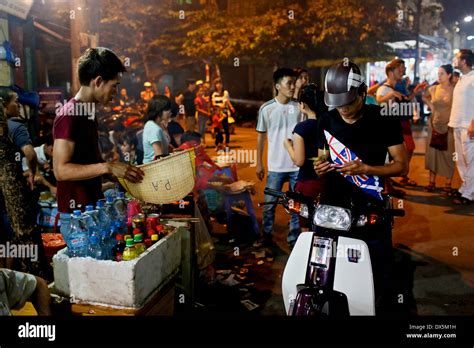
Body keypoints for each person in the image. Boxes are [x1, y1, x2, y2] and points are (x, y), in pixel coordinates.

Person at [314, 60, 408, 314]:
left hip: (370, 205)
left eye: (348, 101)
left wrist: (367, 169)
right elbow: (322, 156)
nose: (342, 108)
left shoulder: (384, 121)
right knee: (328, 265)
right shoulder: (326, 119)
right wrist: (319, 166)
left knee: (377, 266)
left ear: (363, 93)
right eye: (337, 103)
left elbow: (402, 166)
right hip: (333, 206)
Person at [53, 47, 144, 238]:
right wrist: (108, 167)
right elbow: (61, 171)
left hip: (91, 209)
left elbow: (87, 163)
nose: (116, 92)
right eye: (114, 85)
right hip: (76, 217)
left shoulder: (88, 112)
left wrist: (115, 176)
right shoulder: (69, 114)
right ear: (98, 81)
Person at [256, 68, 302, 247]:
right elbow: (260, 136)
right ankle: (266, 236)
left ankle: (294, 239)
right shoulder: (266, 109)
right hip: (275, 166)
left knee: (295, 207)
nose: (292, 86)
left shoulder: (298, 107)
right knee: (269, 205)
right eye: (288, 83)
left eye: (293, 83)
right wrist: (259, 163)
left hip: (296, 166)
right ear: (277, 86)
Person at [283, 84, 323, 231]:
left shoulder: (301, 129)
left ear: (302, 105)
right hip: (327, 181)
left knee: (306, 227)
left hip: (308, 183)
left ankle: (307, 253)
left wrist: (288, 147)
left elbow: (299, 161)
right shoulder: (329, 124)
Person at [422, 64, 455, 194]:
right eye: (438, 74)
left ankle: (448, 183)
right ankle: (431, 182)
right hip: (433, 124)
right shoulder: (434, 89)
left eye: (442, 74)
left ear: (449, 75)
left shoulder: (454, 90)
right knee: (433, 154)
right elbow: (424, 96)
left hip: (449, 126)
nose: (439, 76)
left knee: (449, 154)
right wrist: (431, 106)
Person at [449, 49, 474, 205]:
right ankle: (467, 188)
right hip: (457, 125)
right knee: (460, 160)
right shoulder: (462, 78)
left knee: (471, 161)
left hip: (468, 127)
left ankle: (468, 193)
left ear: (464, 61)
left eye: (457, 58)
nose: (455, 61)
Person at [142, 95, 172, 163]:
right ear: (159, 110)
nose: (170, 112)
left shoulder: (156, 125)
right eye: (166, 109)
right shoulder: (153, 128)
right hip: (155, 169)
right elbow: (159, 156)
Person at [212, 78, 235, 147]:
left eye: (220, 84)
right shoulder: (214, 93)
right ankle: (220, 143)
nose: (218, 85)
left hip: (224, 113)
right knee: (218, 129)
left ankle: (226, 142)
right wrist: (217, 108)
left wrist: (219, 107)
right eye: (217, 84)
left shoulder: (225, 92)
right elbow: (213, 103)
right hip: (217, 113)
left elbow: (225, 103)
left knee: (226, 128)